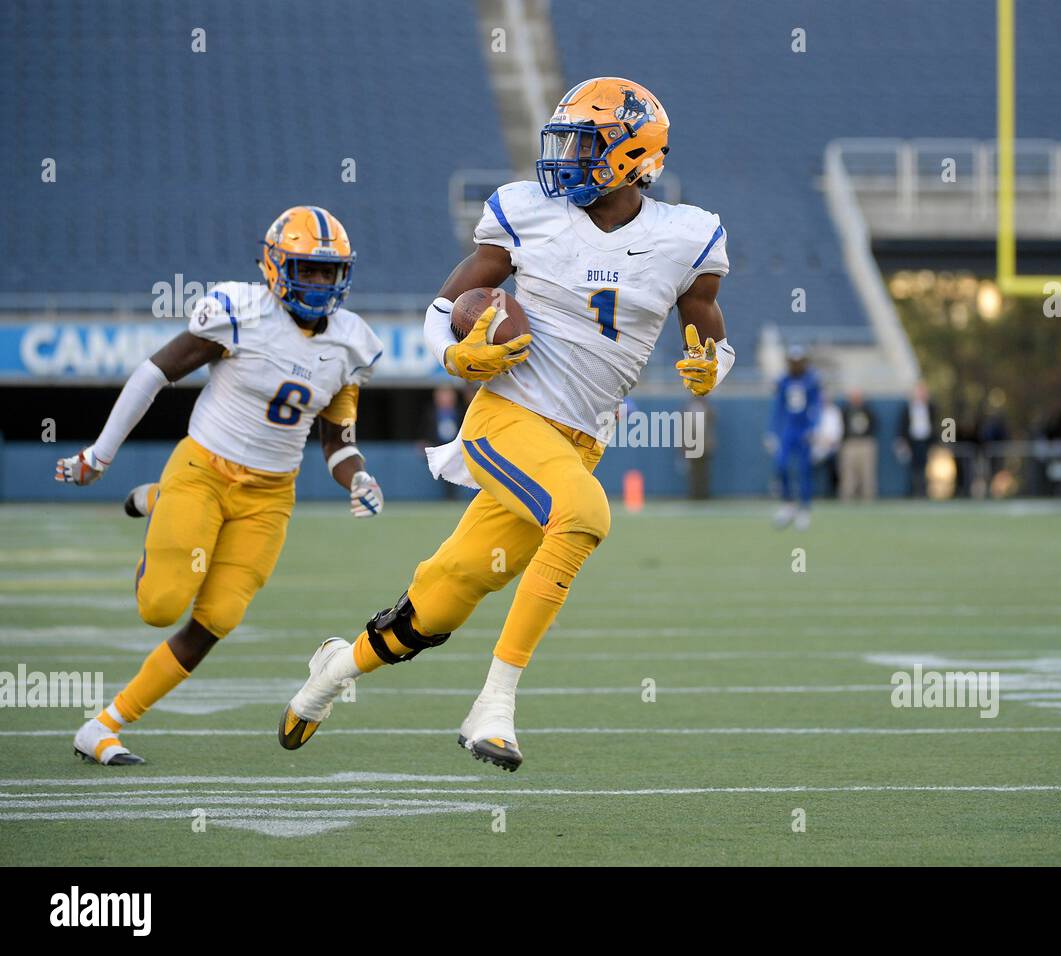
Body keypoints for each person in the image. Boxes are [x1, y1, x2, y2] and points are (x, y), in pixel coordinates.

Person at [279, 78, 733, 771]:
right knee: (583, 517)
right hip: (507, 415)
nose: (566, 158)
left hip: (578, 443)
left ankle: (332, 672)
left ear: (632, 152)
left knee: (442, 599)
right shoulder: (530, 212)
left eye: (585, 143)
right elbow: (446, 302)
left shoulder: (686, 236)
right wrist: (455, 351)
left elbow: (711, 334)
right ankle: (494, 706)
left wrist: (713, 368)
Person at [55, 206, 383, 764]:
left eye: (329, 273)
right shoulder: (240, 311)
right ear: (277, 266)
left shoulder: (354, 344)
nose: (320, 283)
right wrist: (99, 454)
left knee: (220, 618)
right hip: (204, 470)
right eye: (308, 269)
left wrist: (359, 477)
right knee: (160, 607)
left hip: (271, 496)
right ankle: (165, 498)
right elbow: (154, 372)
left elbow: (336, 441)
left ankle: (105, 725)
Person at [766, 346, 821, 530]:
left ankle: (804, 509)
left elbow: (817, 406)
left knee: (804, 470)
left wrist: (814, 428)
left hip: (804, 429)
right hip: (788, 430)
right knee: (780, 465)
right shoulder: (783, 380)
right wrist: (773, 432)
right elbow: (778, 408)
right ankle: (788, 504)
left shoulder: (811, 380)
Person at [837, 389, 875, 500]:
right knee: (848, 473)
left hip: (865, 443)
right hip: (850, 443)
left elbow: (875, 425)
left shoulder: (868, 410)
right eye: (853, 397)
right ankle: (847, 496)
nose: (856, 399)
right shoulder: (845, 410)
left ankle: (868, 497)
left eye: (858, 397)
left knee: (867, 472)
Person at [898, 382, 935, 497]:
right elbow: (902, 426)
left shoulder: (931, 408)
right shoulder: (907, 408)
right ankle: (913, 491)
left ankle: (924, 491)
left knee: (924, 466)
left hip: (925, 441)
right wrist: (902, 442)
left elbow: (938, 424)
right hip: (912, 441)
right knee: (913, 467)